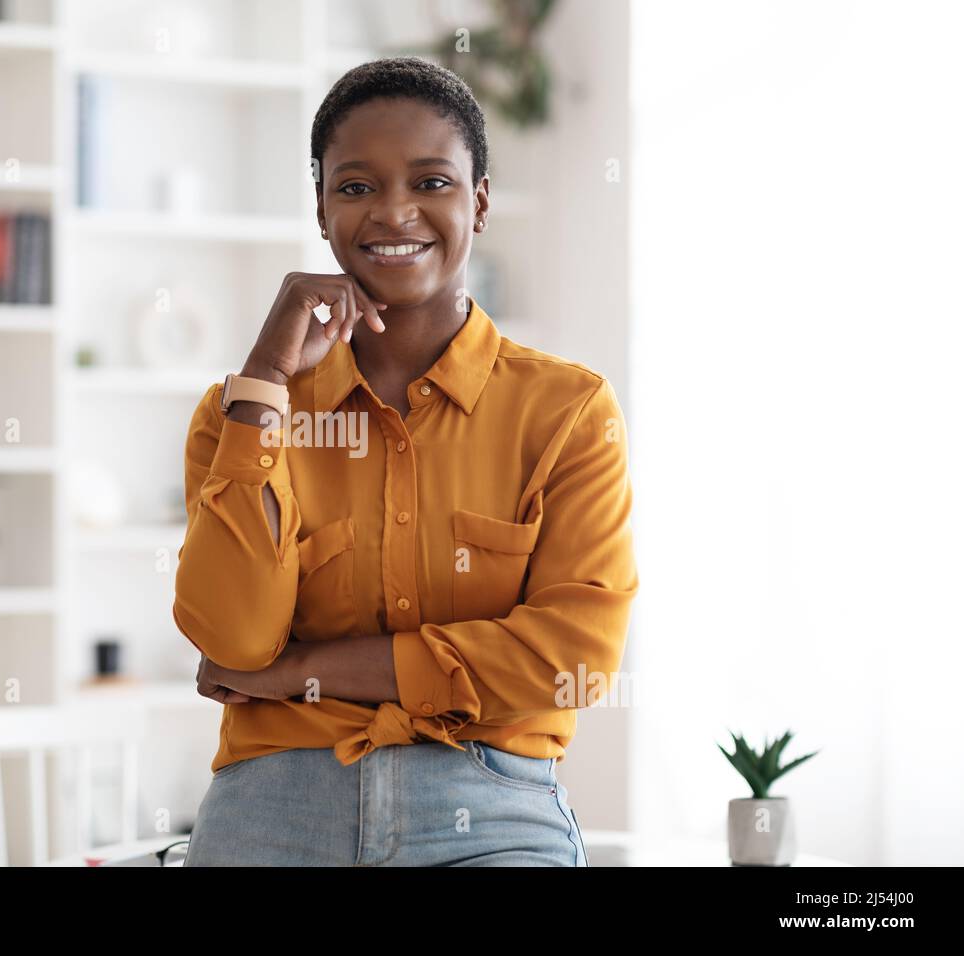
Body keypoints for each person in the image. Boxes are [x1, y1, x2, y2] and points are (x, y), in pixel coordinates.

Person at [172, 56, 638, 866]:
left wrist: (300, 675)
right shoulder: (238, 415)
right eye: (355, 187)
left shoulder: (568, 414)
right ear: (321, 209)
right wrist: (268, 375)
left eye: (431, 182)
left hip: (491, 805)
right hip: (276, 805)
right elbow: (235, 640)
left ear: (479, 202)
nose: (394, 213)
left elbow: (573, 660)